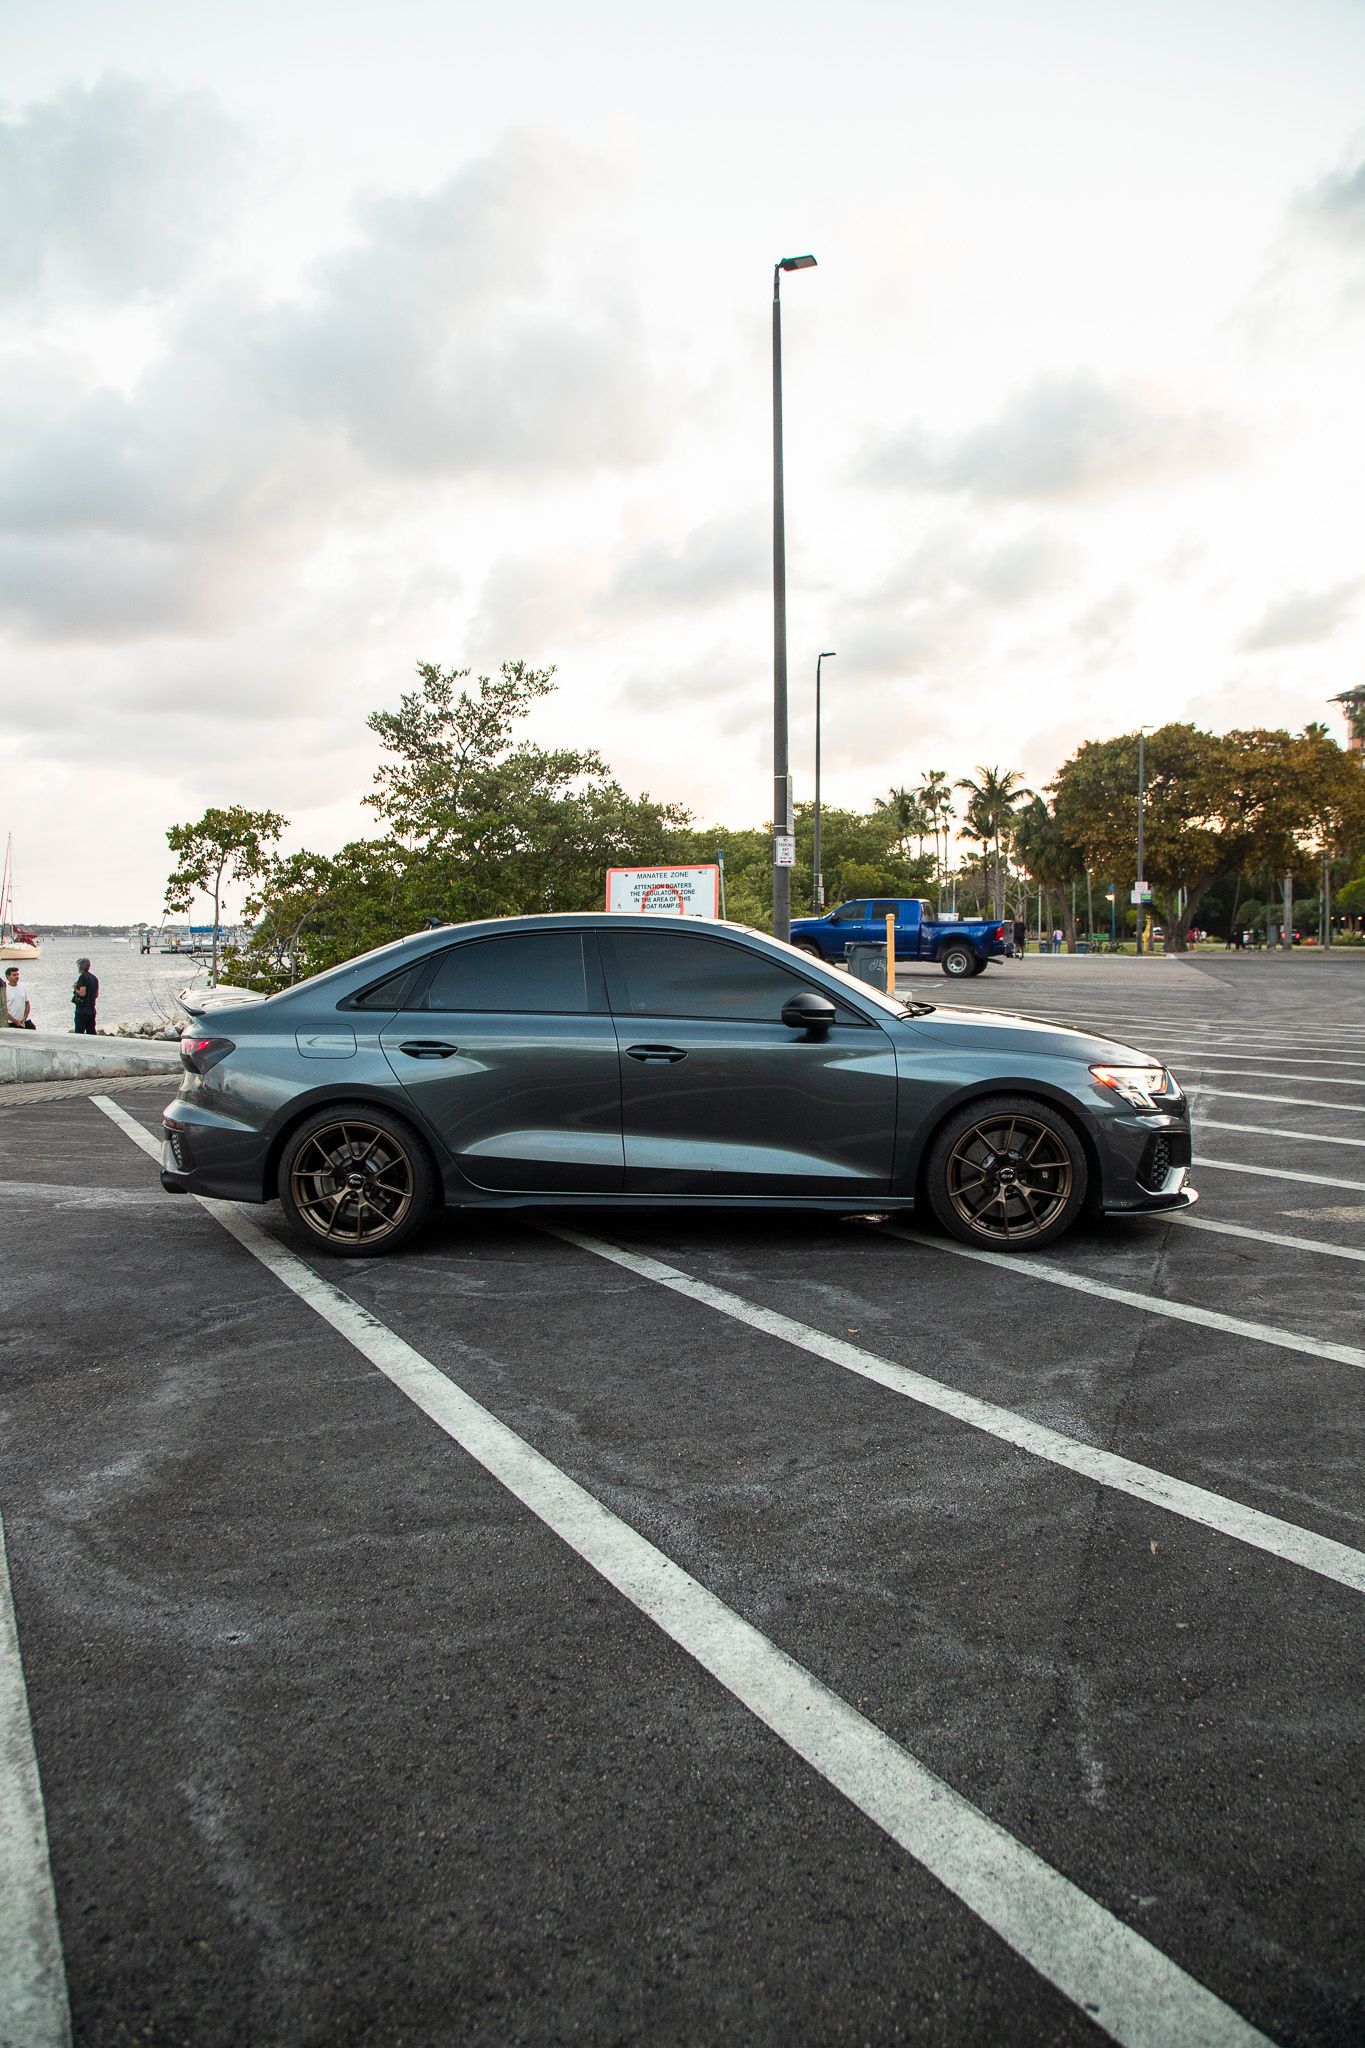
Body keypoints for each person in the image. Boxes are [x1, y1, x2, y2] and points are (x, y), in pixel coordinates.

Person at [72, 956, 99, 1034]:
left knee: (79, 1032)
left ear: (80, 967)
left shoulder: (83, 977)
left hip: (82, 1010)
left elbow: (82, 993)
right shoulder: (94, 978)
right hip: (92, 1010)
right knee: (91, 1032)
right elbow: (96, 994)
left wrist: (75, 989)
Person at [4, 964, 33, 1029]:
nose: (17, 976)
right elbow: (3, 1009)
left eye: (17, 974)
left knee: (33, 1029)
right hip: (10, 1022)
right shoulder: (4, 990)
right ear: (8, 976)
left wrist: (24, 1018)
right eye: (14, 975)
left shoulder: (23, 988)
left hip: (24, 1021)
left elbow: (27, 1004)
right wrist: (15, 1021)